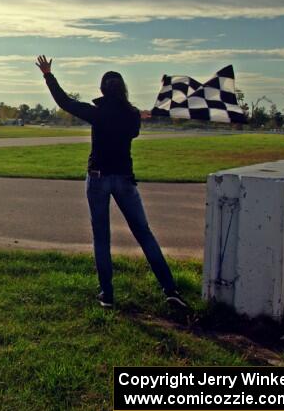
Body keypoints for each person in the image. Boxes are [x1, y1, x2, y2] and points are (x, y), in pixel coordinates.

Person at [35, 55, 188, 309]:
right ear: (124, 89)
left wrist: (48, 75)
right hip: (125, 180)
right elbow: (134, 130)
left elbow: (65, 102)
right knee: (144, 234)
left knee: (102, 237)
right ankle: (169, 288)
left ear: (102, 90)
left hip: (98, 179)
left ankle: (107, 294)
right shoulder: (132, 116)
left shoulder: (98, 113)